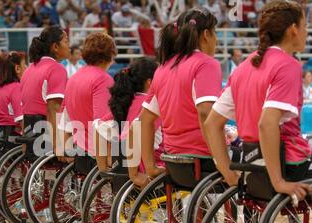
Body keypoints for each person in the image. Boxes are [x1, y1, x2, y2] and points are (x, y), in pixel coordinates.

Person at [205, 0, 312, 200]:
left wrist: (227, 172)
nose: (307, 32)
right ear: (293, 30)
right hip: (287, 163)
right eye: (305, 26)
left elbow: (211, 123)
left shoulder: (244, 67)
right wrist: (278, 181)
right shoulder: (288, 65)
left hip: (251, 161)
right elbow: (267, 123)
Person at [139, 8, 222, 186]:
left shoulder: (163, 68)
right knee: (255, 160)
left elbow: (145, 119)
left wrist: (150, 166)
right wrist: (221, 162)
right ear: (206, 34)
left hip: (173, 161)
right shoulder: (206, 64)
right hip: (201, 161)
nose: (217, 40)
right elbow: (205, 113)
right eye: (216, 33)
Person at [94, 57, 160, 187]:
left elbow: (98, 127)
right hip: (145, 167)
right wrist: (133, 174)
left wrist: (103, 169)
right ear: (149, 82)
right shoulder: (152, 105)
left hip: (122, 167)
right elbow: (134, 132)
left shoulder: (124, 103)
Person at [60, 32, 117, 164]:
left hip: (78, 148)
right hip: (96, 152)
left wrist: (66, 148)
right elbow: (103, 125)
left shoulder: (74, 77)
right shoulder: (103, 79)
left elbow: (65, 119)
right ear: (110, 55)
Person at [20, 25, 70, 154]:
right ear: (55, 47)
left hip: (30, 129)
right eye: (66, 41)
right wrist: (58, 144)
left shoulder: (29, 69)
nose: (69, 45)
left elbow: (25, 107)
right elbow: (53, 108)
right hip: (45, 130)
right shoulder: (56, 69)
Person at [0, 51, 26, 133]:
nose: (26, 68)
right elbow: (21, 119)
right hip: (13, 136)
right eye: (24, 65)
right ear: (17, 68)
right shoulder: (16, 87)